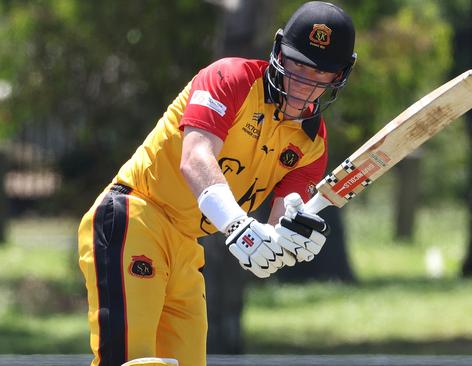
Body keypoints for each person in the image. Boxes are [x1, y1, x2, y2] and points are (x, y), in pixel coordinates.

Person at [77, 1, 357, 365]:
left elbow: (277, 225)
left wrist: (285, 245)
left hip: (188, 246)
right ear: (278, 53)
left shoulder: (311, 141)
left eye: (320, 74)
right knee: (132, 363)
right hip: (135, 216)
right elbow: (195, 159)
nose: (304, 85)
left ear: (339, 76)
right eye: (298, 66)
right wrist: (240, 228)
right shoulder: (230, 78)